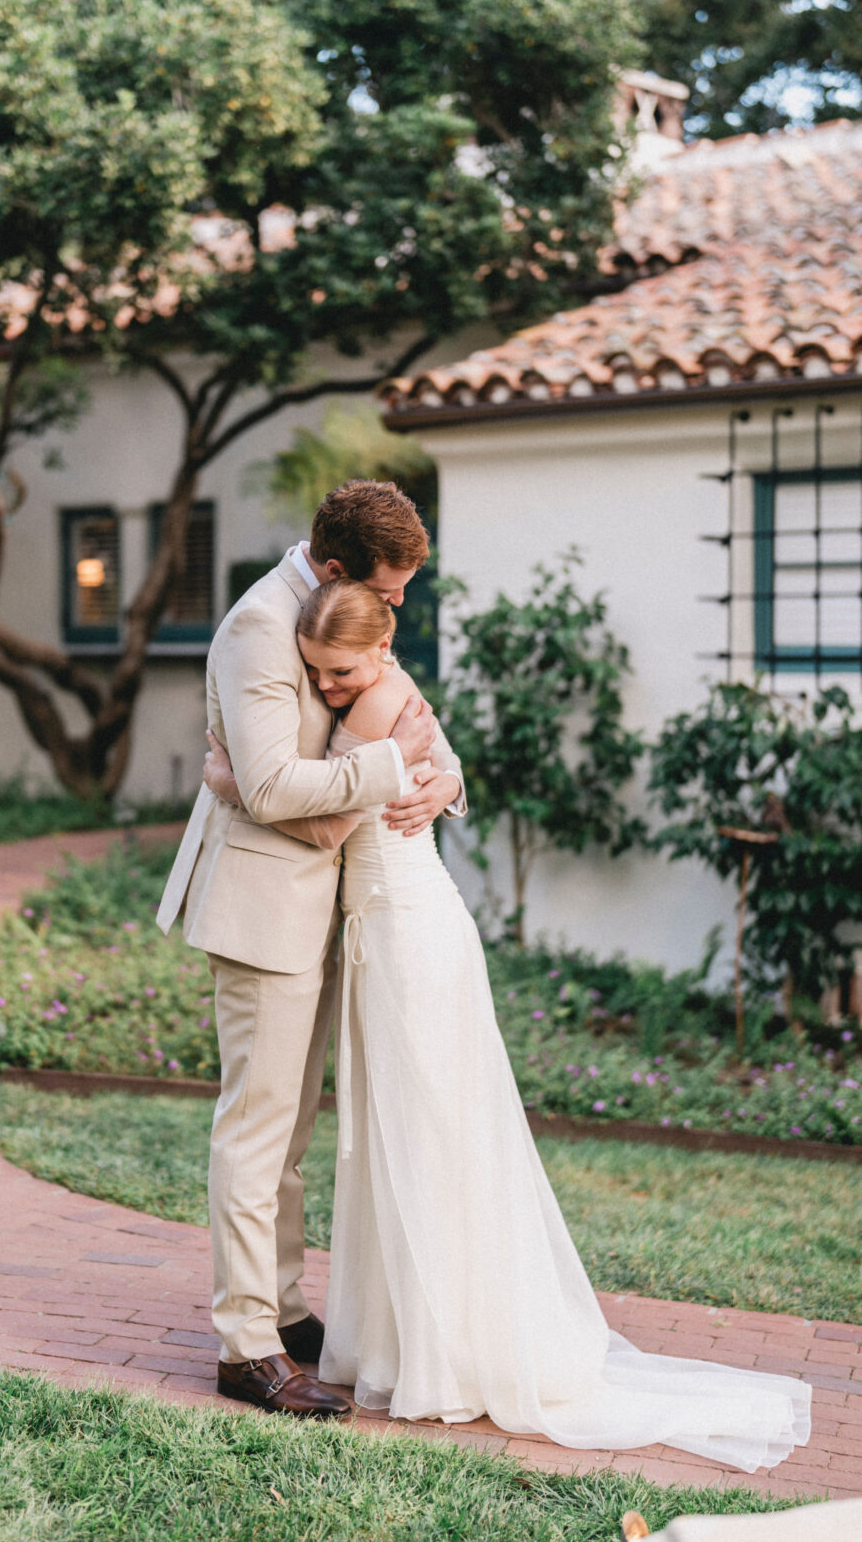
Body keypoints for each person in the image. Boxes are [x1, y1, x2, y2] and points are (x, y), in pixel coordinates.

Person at [202, 576, 812, 1474]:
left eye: (336, 673)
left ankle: (441, 1344)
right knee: (423, 1139)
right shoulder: (389, 683)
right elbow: (434, 771)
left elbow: (325, 821)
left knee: (430, 1139)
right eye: (315, 675)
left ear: (377, 648)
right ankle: (410, 1332)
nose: (327, 688)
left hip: (406, 939)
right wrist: (438, 775)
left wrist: (225, 776)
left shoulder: (374, 698)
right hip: (399, 930)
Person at [156, 481, 467, 1419]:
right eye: (392, 589)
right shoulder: (259, 627)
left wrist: (437, 778)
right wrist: (384, 769)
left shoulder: (349, 616)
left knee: (289, 1133)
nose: (400, 610)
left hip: (332, 903)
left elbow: (419, 730)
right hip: (262, 909)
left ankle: (283, 1310)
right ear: (333, 567)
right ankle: (244, 1346)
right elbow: (269, 781)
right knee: (255, 1130)